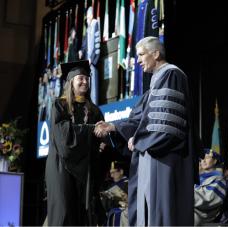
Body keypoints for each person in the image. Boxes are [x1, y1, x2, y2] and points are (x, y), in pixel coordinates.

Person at [94, 36, 200, 226]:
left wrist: (142, 139)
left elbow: (165, 125)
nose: (139, 60)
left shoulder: (171, 75)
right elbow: (140, 117)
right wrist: (114, 127)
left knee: (161, 215)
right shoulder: (155, 83)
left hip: (164, 159)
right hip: (150, 158)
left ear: (156, 54)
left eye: (142, 54)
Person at [45, 60, 106, 226]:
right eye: (80, 78)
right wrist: (91, 129)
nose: (85, 81)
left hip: (85, 169)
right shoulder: (60, 105)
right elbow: (64, 136)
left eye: (87, 78)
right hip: (61, 167)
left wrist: (103, 141)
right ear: (71, 81)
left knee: (83, 214)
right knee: (65, 211)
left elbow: (102, 139)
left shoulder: (95, 111)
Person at [194, 148, 226, 225]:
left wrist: (185, 195)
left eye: (207, 158)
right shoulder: (198, 178)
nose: (203, 161)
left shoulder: (218, 179)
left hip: (203, 216)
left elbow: (207, 200)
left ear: (215, 161)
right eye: (202, 158)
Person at [79, 6, 100, 104]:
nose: (87, 19)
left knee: (93, 83)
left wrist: (92, 58)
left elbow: (97, 43)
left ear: (91, 15)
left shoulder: (95, 23)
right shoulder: (88, 28)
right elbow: (85, 43)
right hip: (87, 61)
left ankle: (94, 104)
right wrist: (81, 51)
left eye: (88, 16)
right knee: (88, 83)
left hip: (92, 60)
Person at [100, 161, 129, 226]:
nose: (111, 176)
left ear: (121, 171)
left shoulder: (129, 184)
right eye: (110, 173)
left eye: (113, 172)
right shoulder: (111, 185)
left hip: (123, 215)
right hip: (110, 214)